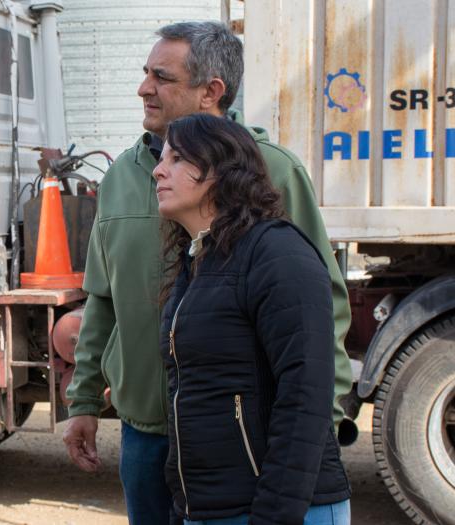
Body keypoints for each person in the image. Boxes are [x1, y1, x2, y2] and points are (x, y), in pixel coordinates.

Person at [62, 20, 353, 524]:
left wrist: (311, 437)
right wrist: (83, 398)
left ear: (210, 91)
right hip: (148, 435)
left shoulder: (275, 171)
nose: (143, 88)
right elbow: (103, 300)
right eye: (144, 73)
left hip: (241, 443)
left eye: (162, 76)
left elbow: (318, 308)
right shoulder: (119, 180)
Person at [155, 113, 351, 524]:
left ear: (217, 169)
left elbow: (306, 395)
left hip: (280, 509)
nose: (158, 170)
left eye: (176, 159)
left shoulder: (277, 253)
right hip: (211, 507)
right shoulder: (200, 261)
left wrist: (275, 516)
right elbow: (189, 396)